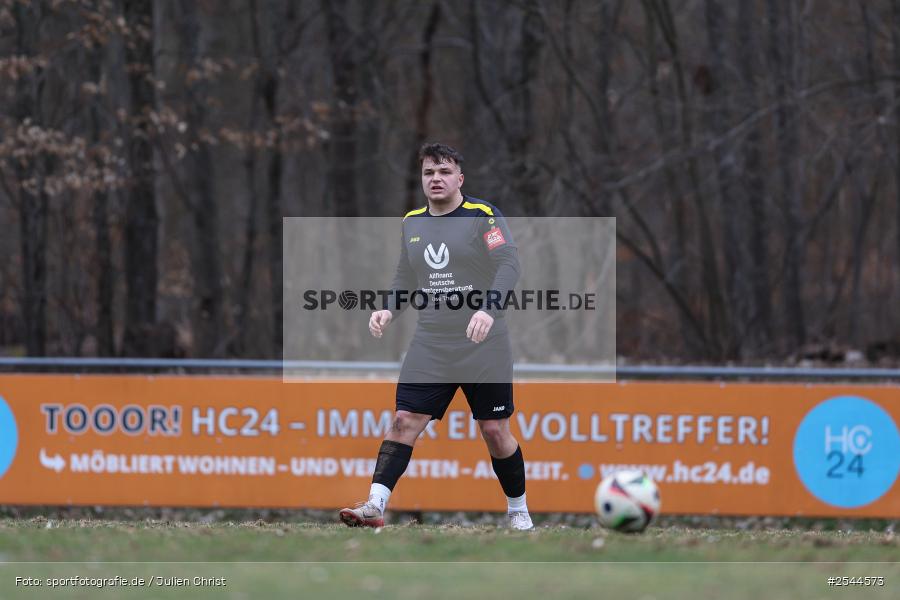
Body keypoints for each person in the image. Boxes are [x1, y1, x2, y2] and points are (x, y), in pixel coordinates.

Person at [339, 143, 533, 530]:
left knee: (495, 431)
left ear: (460, 178)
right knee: (403, 421)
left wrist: (487, 310)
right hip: (432, 343)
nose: (436, 179)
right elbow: (405, 277)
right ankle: (375, 507)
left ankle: (518, 511)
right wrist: (388, 309)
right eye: (429, 173)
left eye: (444, 171)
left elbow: (508, 264)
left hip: (483, 344)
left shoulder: (483, 216)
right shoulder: (412, 222)